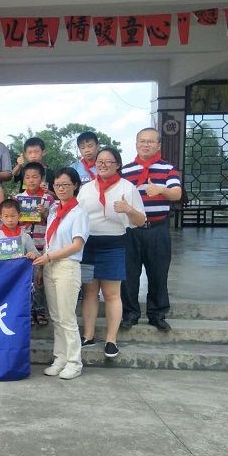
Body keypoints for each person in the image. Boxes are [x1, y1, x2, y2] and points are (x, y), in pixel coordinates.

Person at [77, 146, 147, 358]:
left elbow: (140, 221)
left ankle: (111, 340)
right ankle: (88, 335)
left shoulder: (127, 188)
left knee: (111, 294)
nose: (103, 165)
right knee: (89, 292)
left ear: (118, 165)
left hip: (114, 245)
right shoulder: (86, 188)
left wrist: (129, 209)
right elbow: (76, 215)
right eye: (100, 162)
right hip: (88, 246)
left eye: (109, 162)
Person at [120, 127, 183, 332]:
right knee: (128, 273)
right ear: (136, 144)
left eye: (150, 141)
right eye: (142, 141)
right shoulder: (126, 171)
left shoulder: (168, 169)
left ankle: (157, 314)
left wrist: (161, 189)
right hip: (131, 230)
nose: (146, 145)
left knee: (158, 273)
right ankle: (130, 314)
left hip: (157, 229)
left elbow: (177, 194)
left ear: (158, 145)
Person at [33, 167, 89, 380]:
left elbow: (76, 245)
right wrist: (43, 264)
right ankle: (60, 359)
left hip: (67, 265)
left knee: (67, 317)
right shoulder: (54, 209)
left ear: (75, 185)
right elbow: (50, 240)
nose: (61, 189)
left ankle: (74, 362)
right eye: (57, 185)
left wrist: (49, 257)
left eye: (65, 184)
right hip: (50, 265)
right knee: (56, 318)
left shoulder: (79, 213)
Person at [16, 162, 56, 326]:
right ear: (24, 179)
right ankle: (26, 310)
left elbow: (53, 222)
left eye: (35, 177)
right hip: (23, 244)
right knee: (24, 279)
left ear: (42, 179)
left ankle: (39, 309)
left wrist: (45, 213)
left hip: (41, 243)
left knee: (39, 279)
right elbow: (12, 222)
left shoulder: (48, 199)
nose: (31, 180)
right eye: (27, 177)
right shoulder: (18, 198)